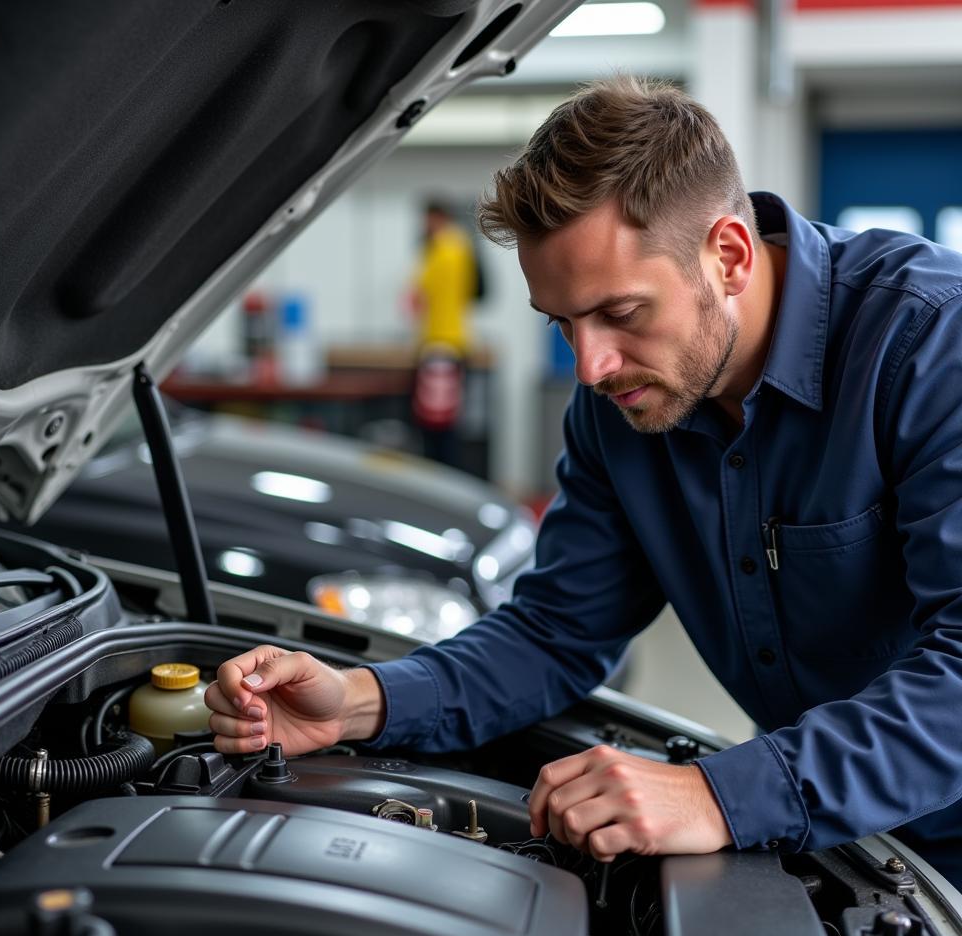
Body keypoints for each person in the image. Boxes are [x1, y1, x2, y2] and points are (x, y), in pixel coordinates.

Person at [204, 76, 962, 886]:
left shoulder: (929, 348)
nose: (590, 366)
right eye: (562, 323)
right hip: (856, 854)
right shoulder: (625, 405)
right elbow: (558, 631)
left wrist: (717, 795)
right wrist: (359, 701)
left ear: (730, 255)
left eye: (622, 313)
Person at [409, 199, 478, 467]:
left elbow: (416, 297)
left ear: (436, 217)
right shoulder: (461, 247)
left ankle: (439, 486)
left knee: (436, 427)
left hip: (440, 344)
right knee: (446, 425)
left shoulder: (442, 248)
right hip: (453, 342)